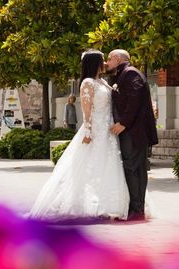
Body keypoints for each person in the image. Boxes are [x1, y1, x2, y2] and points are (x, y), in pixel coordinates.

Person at [29, 50, 129, 221]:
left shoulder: (102, 82)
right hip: (96, 130)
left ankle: (109, 204)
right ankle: (87, 205)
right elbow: (86, 110)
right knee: (91, 166)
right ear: (94, 63)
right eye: (102, 60)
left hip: (108, 130)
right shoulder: (87, 83)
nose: (105, 63)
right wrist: (88, 131)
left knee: (108, 165)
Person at [107, 49, 158, 221]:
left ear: (118, 59)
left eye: (109, 59)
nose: (107, 63)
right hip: (132, 131)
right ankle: (135, 208)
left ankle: (137, 211)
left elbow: (134, 99)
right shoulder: (125, 74)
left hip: (134, 132)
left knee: (133, 169)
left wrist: (123, 123)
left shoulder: (130, 73)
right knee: (134, 169)